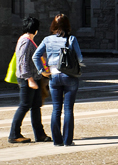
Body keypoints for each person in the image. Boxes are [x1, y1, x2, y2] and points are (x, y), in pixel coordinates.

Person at [33, 14, 84, 147]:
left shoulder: (47, 40)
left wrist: (42, 70)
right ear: (67, 26)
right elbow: (80, 59)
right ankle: (67, 141)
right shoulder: (71, 39)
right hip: (69, 76)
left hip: (53, 76)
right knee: (68, 109)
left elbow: (35, 56)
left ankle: (57, 141)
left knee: (56, 109)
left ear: (53, 26)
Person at [7, 17, 49, 144]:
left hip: (34, 78)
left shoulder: (28, 40)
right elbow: (23, 62)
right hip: (27, 79)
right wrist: (30, 79)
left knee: (36, 106)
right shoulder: (25, 42)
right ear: (36, 30)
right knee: (24, 106)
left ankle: (40, 134)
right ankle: (14, 134)